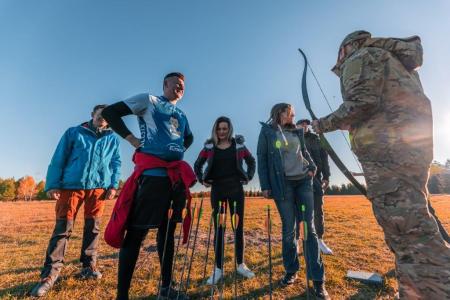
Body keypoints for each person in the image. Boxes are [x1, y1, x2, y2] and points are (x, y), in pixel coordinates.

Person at [312, 30, 450, 298]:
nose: (340, 63)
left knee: (407, 231)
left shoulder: (361, 56)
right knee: (415, 223)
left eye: (340, 56)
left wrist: (321, 124)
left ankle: (432, 291)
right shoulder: (392, 59)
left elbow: (361, 102)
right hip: (407, 153)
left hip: (387, 156)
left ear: (347, 47)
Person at [101, 72, 194, 300]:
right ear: (165, 85)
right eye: (176, 84)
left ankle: (166, 288)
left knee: (167, 234)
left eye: (183, 85)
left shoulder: (181, 114)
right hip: (152, 178)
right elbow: (109, 113)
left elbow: (188, 138)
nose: (180, 87)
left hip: (175, 182)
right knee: (136, 235)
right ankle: (122, 296)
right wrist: (132, 139)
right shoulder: (148, 101)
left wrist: (175, 150)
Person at [31, 105, 121, 297]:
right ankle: (50, 275)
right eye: (100, 115)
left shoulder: (112, 138)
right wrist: (53, 184)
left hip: (98, 189)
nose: (103, 118)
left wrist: (113, 185)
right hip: (71, 187)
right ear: (92, 115)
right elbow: (59, 158)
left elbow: (116, 163)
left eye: (107, 116)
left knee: (93, 228)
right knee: (62, 229)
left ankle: (88, 266)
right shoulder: (74, 132)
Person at [257, 103, 329, 299]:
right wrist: (265, 185)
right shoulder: (267, 132)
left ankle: (317, 280)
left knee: (309, 229)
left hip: (304, 182)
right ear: (280, 113)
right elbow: (262, 158)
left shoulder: (297, 132)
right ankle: (291, 270)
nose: (293, 117)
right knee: (289, 229)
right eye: (291, 114)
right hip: (283, 186)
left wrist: (312, 167)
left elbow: (304, 153)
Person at [194, 116, 256, 284]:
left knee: (238, 227)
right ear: (215, 130)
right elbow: (197, 164)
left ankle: (240, 265)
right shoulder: (208, 146)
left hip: (236, 190)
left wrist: (248, 177)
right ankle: (218, 269)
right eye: (219, 129)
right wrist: (202, 179)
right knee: (219, 228)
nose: (222, 132)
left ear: (230, 130)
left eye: (225, 129)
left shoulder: (239, 145)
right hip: (218, 191)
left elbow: (251, 161)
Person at [296, 119, 332, 255]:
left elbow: (324, 159)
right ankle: (297, 241)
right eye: (301, 123)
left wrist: (326, 176)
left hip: (316, 179)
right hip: (298, 179)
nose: (304, 125)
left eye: (306, 124)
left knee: (318, 210)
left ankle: (319, 240)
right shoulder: (293, 138)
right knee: (299, 212)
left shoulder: (317, 139)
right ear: (297, 125)